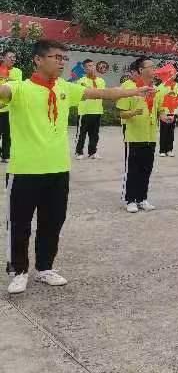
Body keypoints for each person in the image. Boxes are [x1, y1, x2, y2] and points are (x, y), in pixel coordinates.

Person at [3, 39, 151, 294]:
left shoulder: (65, 88)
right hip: (25, 170)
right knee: (19, 224)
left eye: (64, 58)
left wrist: (135, 92)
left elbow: (103, 94)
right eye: (56, 57)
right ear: (38, 60)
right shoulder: (20, 88)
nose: (62, 62)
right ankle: (19, 271)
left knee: (53, 222)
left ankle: (45, 267)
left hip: (58, 169)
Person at [117, 57, 167, 213]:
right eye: (150, 66)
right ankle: (130, 200)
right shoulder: (129, 87)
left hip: (150, 135)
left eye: (154, 66)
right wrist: (134, 112)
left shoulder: (156, 89)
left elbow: (160, 109)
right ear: (140, 70)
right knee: (133, 169)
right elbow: (122, 113)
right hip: (134, 135)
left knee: (146, 169)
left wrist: (164, 117)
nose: (154, 69)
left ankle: (142, 198)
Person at [75, 59, 106, 160]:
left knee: (94, 134)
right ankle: (79, 152)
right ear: (84, 69)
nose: (91, 68)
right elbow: (83, 94)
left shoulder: (101, 81)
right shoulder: (81, 81)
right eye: (88, 66)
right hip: (84, 111)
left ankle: (92, 152)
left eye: (92, 65)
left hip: (97, 110)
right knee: (82, 133)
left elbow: (102, 93)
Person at [0, 49, 23, 163]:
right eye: (10, 57)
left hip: (9, 109)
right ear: (2, 58)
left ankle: (5, 155)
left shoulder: (17, 71)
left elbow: (17, 85)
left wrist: (6, 79)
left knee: (7, 134)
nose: (13, 59)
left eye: (14, 57)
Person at [156, 72, 178, 157]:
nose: (173, 76)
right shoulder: (161, 86)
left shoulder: (177, 86)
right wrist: (160, 113)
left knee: (171, 131)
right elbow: (158, 101)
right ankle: (162, 150)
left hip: (173, 111)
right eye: (171, 74)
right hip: (164, 111)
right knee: (164, 131)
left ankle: (169, 149)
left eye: (174, 74)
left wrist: (176, 111)